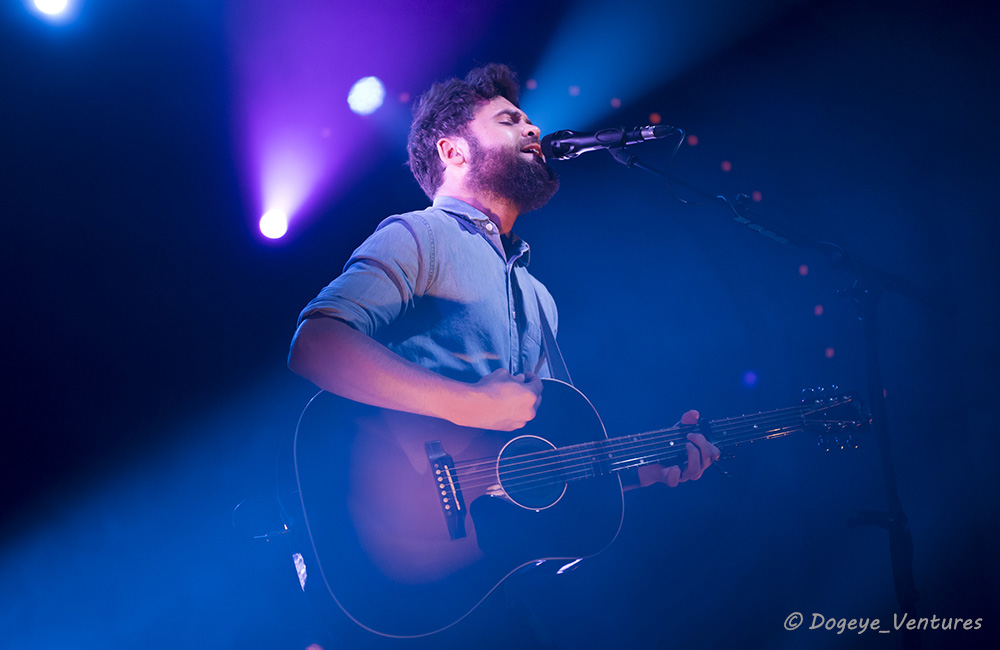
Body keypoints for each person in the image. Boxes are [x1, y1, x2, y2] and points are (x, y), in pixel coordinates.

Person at [288, 63, 719, 647]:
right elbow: (316, 343)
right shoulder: (419, 235)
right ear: (453, 151)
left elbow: (548, 458)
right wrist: (470, 406)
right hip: (389, 559)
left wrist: (646, 466)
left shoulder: (539, 298)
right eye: (510, 119)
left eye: (529, 118)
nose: (534, 128)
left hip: (477, 583)